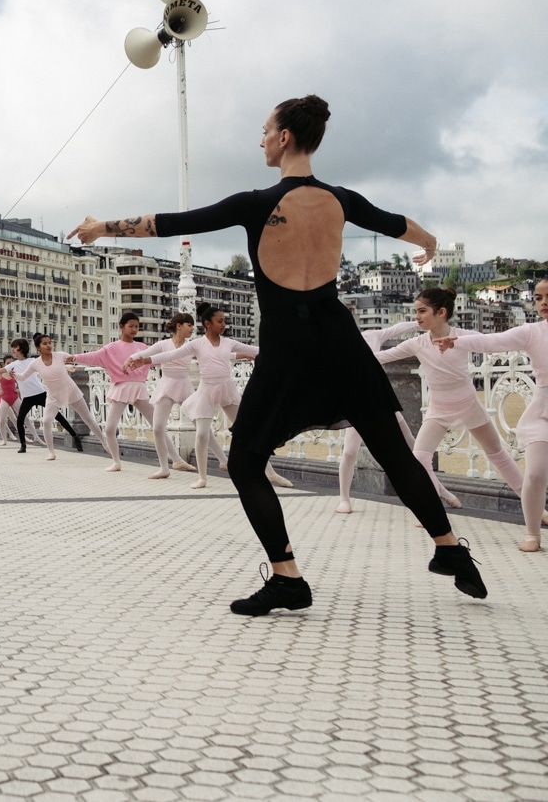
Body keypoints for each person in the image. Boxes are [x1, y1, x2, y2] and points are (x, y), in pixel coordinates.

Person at [69, 94, 485, 615]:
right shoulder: (342, 200)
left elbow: (172, 222)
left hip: (289, 344)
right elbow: (399, 223)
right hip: (341, 339)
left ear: (285, 137)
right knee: (394, 453)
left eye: (266, 130)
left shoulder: (255, 202)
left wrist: (103, 227)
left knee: (246, 461)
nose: (261, 140)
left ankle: (288, 578)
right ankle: (451, 550)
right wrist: (430, 242)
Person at [375, 288, 527, 514]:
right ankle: (433, 509)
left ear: (441, 312)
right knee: (420, 458)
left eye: (422, 311)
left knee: (498, 455)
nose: (417, 317)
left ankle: (534, 506)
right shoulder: (417, 343)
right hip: (438, 409)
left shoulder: (463, 336)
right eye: (416, 311)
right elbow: (381, 357)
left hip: (468, 404)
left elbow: (493, 343)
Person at [125, 304, 290, 491]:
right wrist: (144, 360)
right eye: (220, 321)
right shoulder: (196, 344)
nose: (223, 324)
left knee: (248, 430)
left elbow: (253, 349)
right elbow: (171, 355)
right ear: (208, 324)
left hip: (227, 390)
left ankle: (270, 473)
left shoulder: (228, 342)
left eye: (224, 321)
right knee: (202, 434)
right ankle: (202, 478)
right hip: (207, 391)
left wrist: (281, 349)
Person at [436, 278, 548, 551]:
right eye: (538, 298)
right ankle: (532, 534)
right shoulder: (533, 332)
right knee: (535, 474)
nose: (544, 303)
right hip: (543, 412)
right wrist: (457, 342)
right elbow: (492, 341)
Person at [336, 319, 460, 514]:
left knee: (413, 446)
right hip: (357, 404)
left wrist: (420, 323)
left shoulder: (371, 336)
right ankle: (344, 498)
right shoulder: (337, 345)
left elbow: (396, 329)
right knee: (350, 452)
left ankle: (441, 490)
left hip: (381, 400)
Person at [67, 311, 174, 473]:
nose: (134, 329)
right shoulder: (111, 348)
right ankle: (116, 462)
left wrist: (186, 357)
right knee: (110, 428)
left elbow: (162, 357)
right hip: (121, 388)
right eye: (131, 326)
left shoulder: (142, 348)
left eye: (136, 326)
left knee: (157, 426)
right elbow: (93, 357)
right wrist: (74, 358)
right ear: (121, 327)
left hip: (139, 388)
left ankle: (177, 459)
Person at [14, 334, 109, 461]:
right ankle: (51, 452)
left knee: (88, 418)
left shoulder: (60, 355)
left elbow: (77, 360)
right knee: (46, 421)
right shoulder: (35, 364)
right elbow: (23, 377)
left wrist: (72, 366)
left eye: (49, 342)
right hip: (53, 396)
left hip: (71, 390)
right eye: (44, 343)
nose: (48, 345)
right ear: (38, 347)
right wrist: (13, 374)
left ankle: (105, 444)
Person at [142, 313, 205, 478]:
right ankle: (164, 468)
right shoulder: (164, 344)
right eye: (189, 325)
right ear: (179, 326)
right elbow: (145, 354)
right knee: (157, 428)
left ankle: (222, 460)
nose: (192, 329)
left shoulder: (191, 346)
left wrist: (245, 354)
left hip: (184, 386)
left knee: (201, 423)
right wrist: (130, 360)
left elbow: (214, 355)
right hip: (166, 386)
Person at [6, 339, 70, 453]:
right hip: (27, 397)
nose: (12, 349)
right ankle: (23, 445)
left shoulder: (33, 361)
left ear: (21, 348)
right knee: (20, 420)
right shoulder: (13, 365)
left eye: (15, 347)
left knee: (57, 415)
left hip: (40, 393)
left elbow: (49, 366)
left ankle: (74, 435)